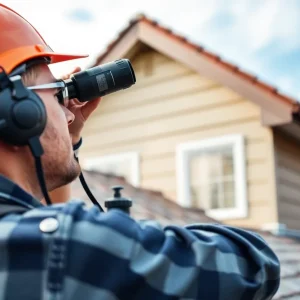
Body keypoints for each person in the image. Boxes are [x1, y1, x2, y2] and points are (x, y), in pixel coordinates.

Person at [0, 4, 280, 300]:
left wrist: (63, 141)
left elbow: (35, 212)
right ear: (16, 110)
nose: (69, 115)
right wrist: (127, 234)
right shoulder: (72, 248)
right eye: (57, 95)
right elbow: (255, 262)